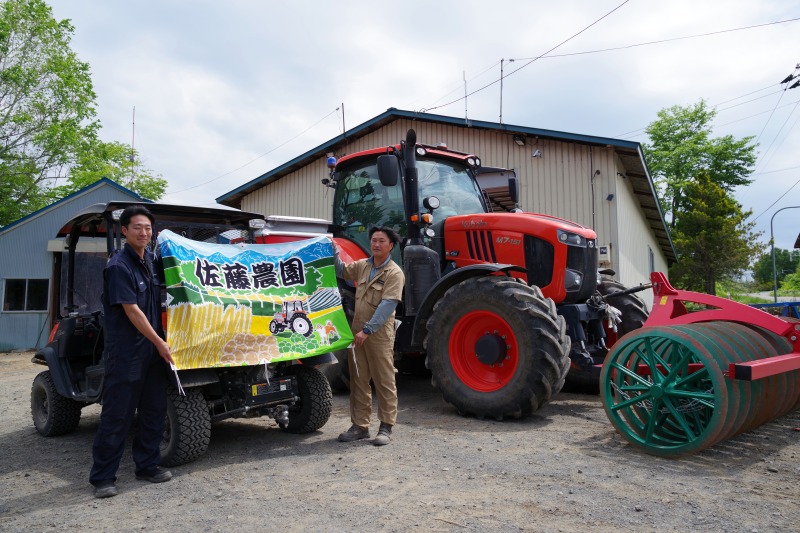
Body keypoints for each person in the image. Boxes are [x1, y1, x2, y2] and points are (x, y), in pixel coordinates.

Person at [90, 204, 174, 498]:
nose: (144, 232)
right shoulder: (118, 267)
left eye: (148, 228)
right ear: (124, 231)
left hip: (151, 353)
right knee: (118, 415)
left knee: (154, 409)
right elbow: (132, 311)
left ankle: (147, 466)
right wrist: (161, 343)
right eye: (137, 227)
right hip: (127, 354)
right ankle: (103, 478)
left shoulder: (150, 261)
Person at [335, 226, 405, 446]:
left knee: (384, 380)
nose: (376, 244)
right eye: (374, 240)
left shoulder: (394, 273)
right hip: (359, 332)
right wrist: (332, 250)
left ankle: (386, 427)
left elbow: (387, 306)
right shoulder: (363, 266)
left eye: (381, 241)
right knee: (358, 380)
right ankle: (360, 427)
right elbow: (342, 271)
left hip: (378, 334)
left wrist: (367, 330)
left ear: (390, 245)